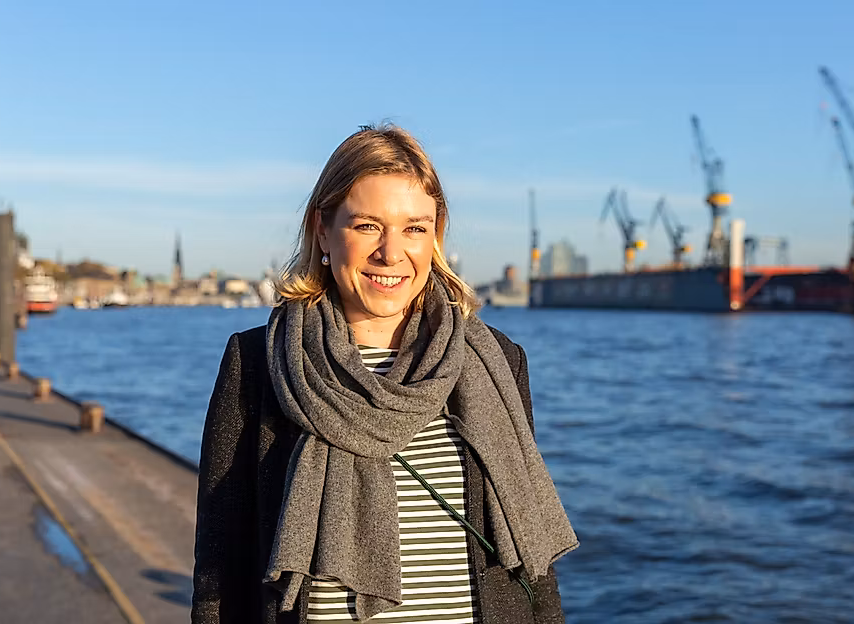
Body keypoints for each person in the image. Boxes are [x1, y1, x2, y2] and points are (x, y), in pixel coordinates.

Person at [192, 124, 577, 624]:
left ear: (435, 236)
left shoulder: (496, 361)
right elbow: (220, 572)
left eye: (414, 227)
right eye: (368, 225)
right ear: (322, 230)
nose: (392, 253)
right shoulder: (259, 364)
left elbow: (531, 559)